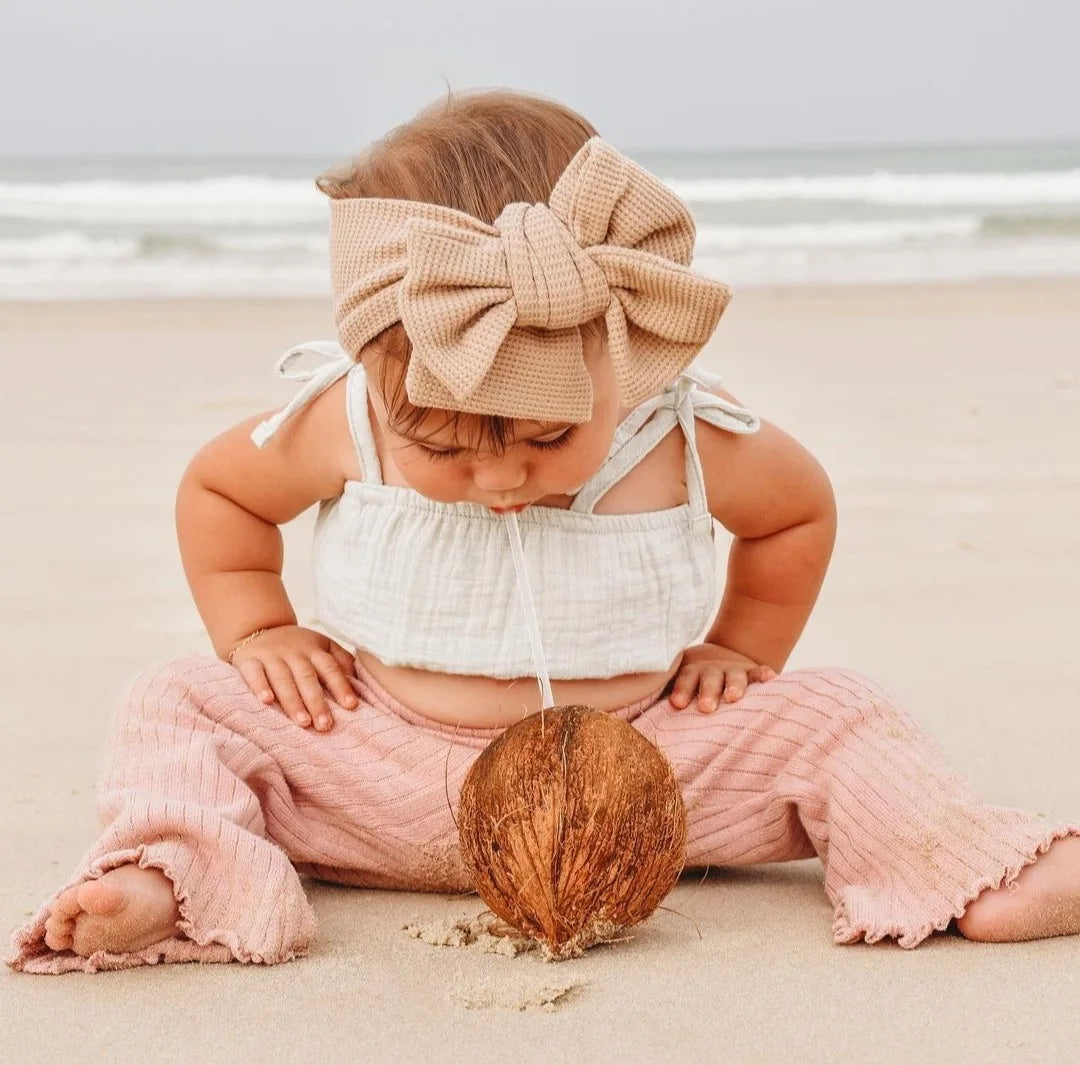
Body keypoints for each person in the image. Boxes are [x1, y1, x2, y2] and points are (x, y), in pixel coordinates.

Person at [10, 88, 1080, 975]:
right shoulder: (340, 420)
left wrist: (743, 652)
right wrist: (258, 630)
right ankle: (175, 872)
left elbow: (797, 510)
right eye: (448, 451)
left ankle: (967, 866)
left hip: (645, 779)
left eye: (544, 437)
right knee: (176, 695)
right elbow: (221, 495)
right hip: (367, 770)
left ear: (618, 351)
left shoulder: (683, 431)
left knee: (841, 712)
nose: (501, 478)